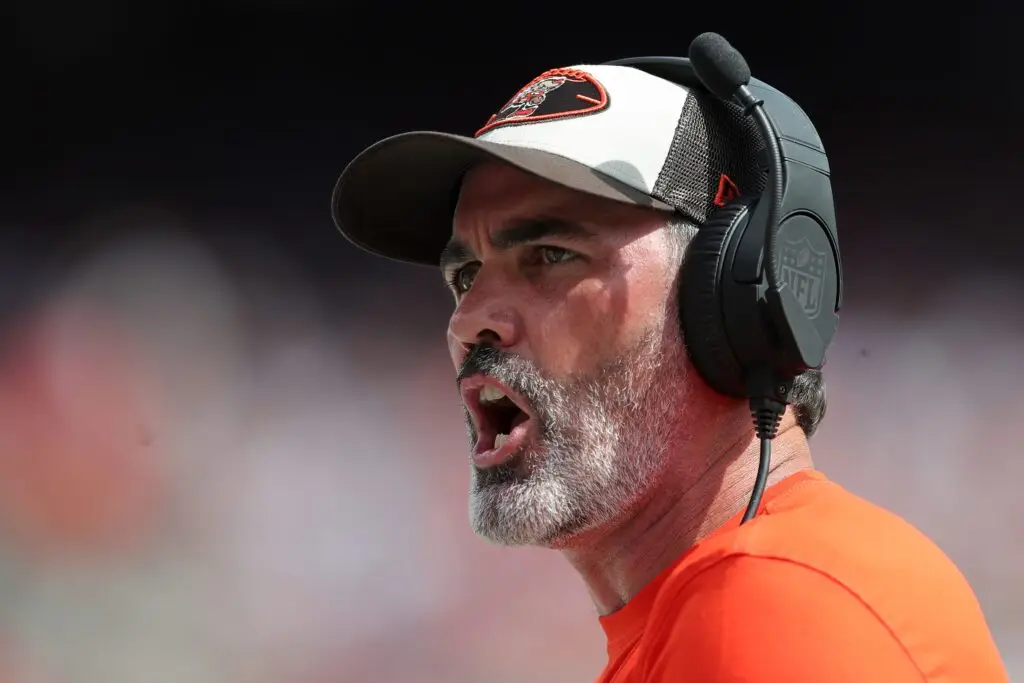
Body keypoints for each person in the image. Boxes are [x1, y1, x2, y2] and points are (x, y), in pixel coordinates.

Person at [329, 56, 1010, 682]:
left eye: (550, 253)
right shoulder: (717, 613)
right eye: (467, 273)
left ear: (732, 292)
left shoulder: (774, 605)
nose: (467, 318)